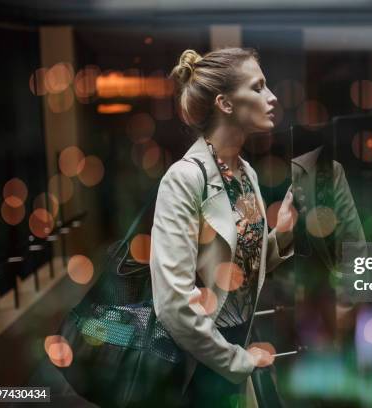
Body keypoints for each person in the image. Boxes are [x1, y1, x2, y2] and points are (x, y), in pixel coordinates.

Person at [150, 47, 295, 407]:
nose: (272, 97)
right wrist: (237, 361)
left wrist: (284, 233)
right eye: (258, 87)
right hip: (204, 361)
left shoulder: (246, 173)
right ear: (226, 104)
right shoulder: (183, 179)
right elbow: (172, 304)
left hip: (243, 343)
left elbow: (238, 269)